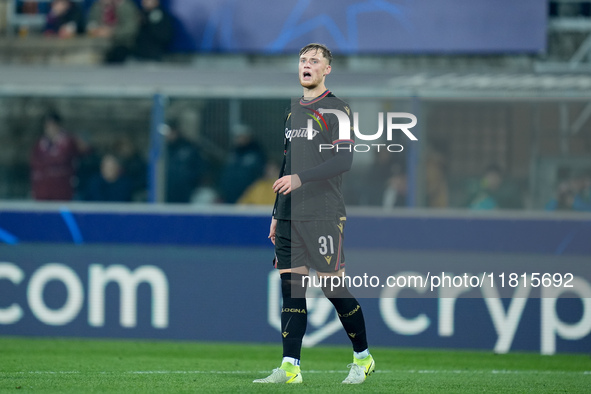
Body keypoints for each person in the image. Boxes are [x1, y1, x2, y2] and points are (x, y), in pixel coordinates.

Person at [253, 43, 374, 385]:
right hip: (291, 214)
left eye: (314, 61)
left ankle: (362, 358)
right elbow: (286, 164)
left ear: (327, 70)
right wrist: (277, 213)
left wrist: (300, 179)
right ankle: (290, 367)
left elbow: (344, 160)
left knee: (333, 289)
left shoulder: (336, 108)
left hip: (322, 213)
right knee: (292, 290)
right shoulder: (293, 112)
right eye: (303, 60)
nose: (307, 65)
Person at [30, 110, 80, 201]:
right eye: (47, 126)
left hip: (62, 192)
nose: (50, 128)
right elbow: (34, 162)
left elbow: (62, 159)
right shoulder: (39, 144)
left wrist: (46, 162)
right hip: (42, 192)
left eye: (53, 125)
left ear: (58, 125)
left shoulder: (68, 142)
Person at [218, 124, 266, 204]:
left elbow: (259, 174)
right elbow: (226, 173)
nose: (238, 139)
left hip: (248, 196)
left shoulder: (257, 154)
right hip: (230, 195)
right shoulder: (233, 153)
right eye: (237, 137)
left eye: (241, 136)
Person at [164, 121, 204, 203]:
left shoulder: (189, 148)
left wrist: (188, 180)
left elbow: (199, 168)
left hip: (185, 192)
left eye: (170, 132)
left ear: (176, 132)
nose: (168, 135)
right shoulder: (164, 150)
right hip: (167, 192)